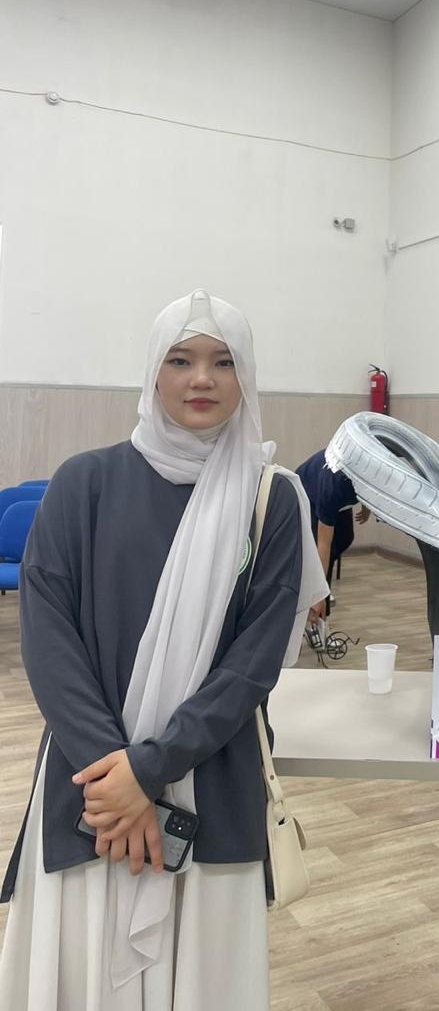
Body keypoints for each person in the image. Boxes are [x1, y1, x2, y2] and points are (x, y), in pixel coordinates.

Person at [0, 289, 326, 1010]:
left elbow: (253, 663)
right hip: (92, 786)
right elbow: (48, 637)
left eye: (223, 362)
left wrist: (148, 769)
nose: (201, 379)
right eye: (180, 360)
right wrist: (117, 778)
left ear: (247, 376)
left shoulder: (273, 499)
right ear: (152, 371)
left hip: (208, 776)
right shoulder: (83, 483)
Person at [296, 448, 370, 624]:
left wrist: (366, 509)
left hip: (339, 496)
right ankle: (316, 608)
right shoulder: (332, 485)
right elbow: (324, 544)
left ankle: (319, 588)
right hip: (308, 493)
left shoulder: (372, 470)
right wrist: (319, 594)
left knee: (345, 538)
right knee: (324, 553)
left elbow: (370, 492)